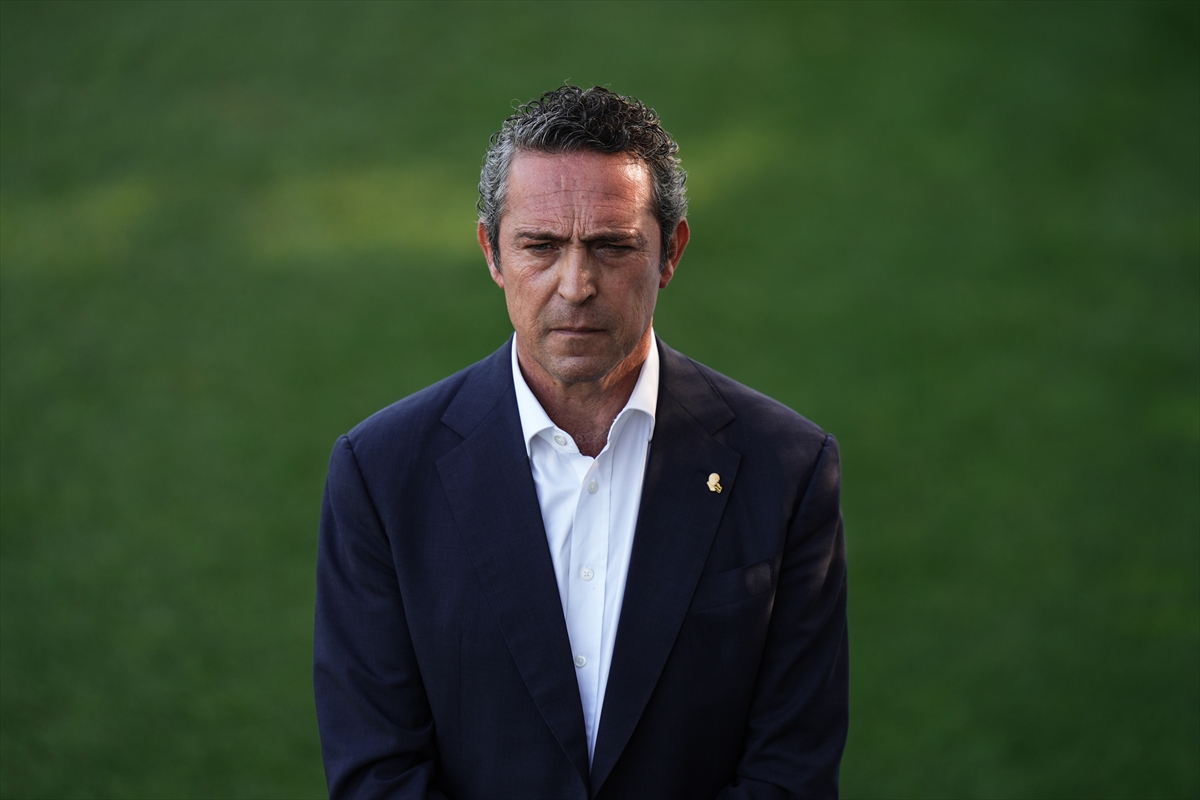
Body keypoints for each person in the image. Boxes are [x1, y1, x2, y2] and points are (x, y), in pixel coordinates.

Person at [314, 85, 848, 800]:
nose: (575, 285)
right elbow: (378, 773)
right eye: (541, 246)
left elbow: (790, 774)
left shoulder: (789, 469)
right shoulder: (380, 473)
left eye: (611, 246)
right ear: (492, 252)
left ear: (670, 253)